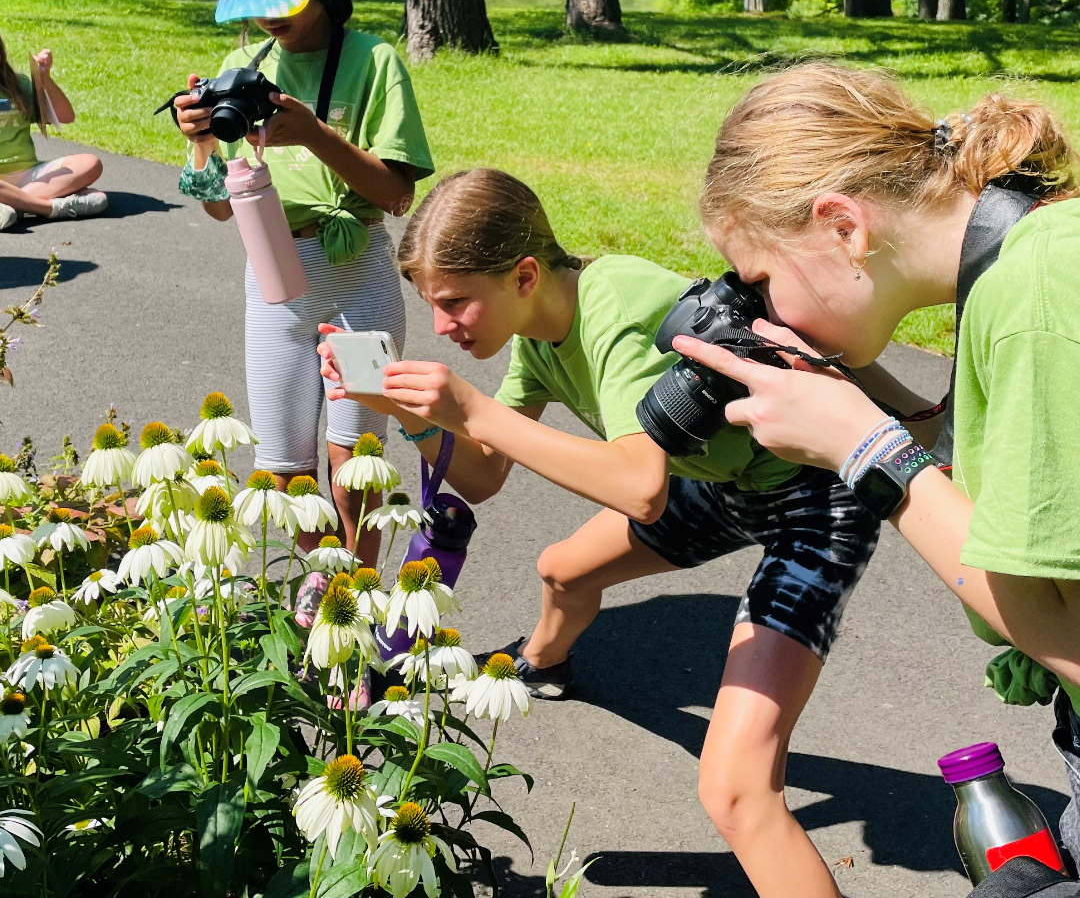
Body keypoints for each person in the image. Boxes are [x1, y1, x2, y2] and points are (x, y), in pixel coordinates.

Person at [320, 167, 882, 898]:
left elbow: (640, 490)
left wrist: (472, 409)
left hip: (814, 501)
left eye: (455, 303)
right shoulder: (538, 333)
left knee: (739, 791)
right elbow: (485, 476)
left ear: (524, 274)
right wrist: (407, 410)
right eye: (432, 305)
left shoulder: (613, 306)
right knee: (563, 571)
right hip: (723, 483)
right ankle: (544, 666)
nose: (442, 328)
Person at [669, 61, 1080, 869]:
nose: (765, 315)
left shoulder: (1038, 297)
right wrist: (855, 393)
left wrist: (867, 452)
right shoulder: (1022, 265)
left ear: (843, 226)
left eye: (760, 281)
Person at [172, 0, 433, 574]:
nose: (271, 13)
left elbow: (398, 194)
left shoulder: (373, 61)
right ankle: (325, 597)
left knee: (357, 459)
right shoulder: (249, 71)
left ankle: (366, 594)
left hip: (362, 282)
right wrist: (200, 145)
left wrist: (315, 135)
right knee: (284, 465)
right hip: (276, 282)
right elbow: (221, 209)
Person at [0, 35, 106, 230]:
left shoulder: (16, 86)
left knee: (90, 163)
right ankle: (50, 207)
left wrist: (44, 79)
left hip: (30, 174)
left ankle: (14, 204)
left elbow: (65, 116)